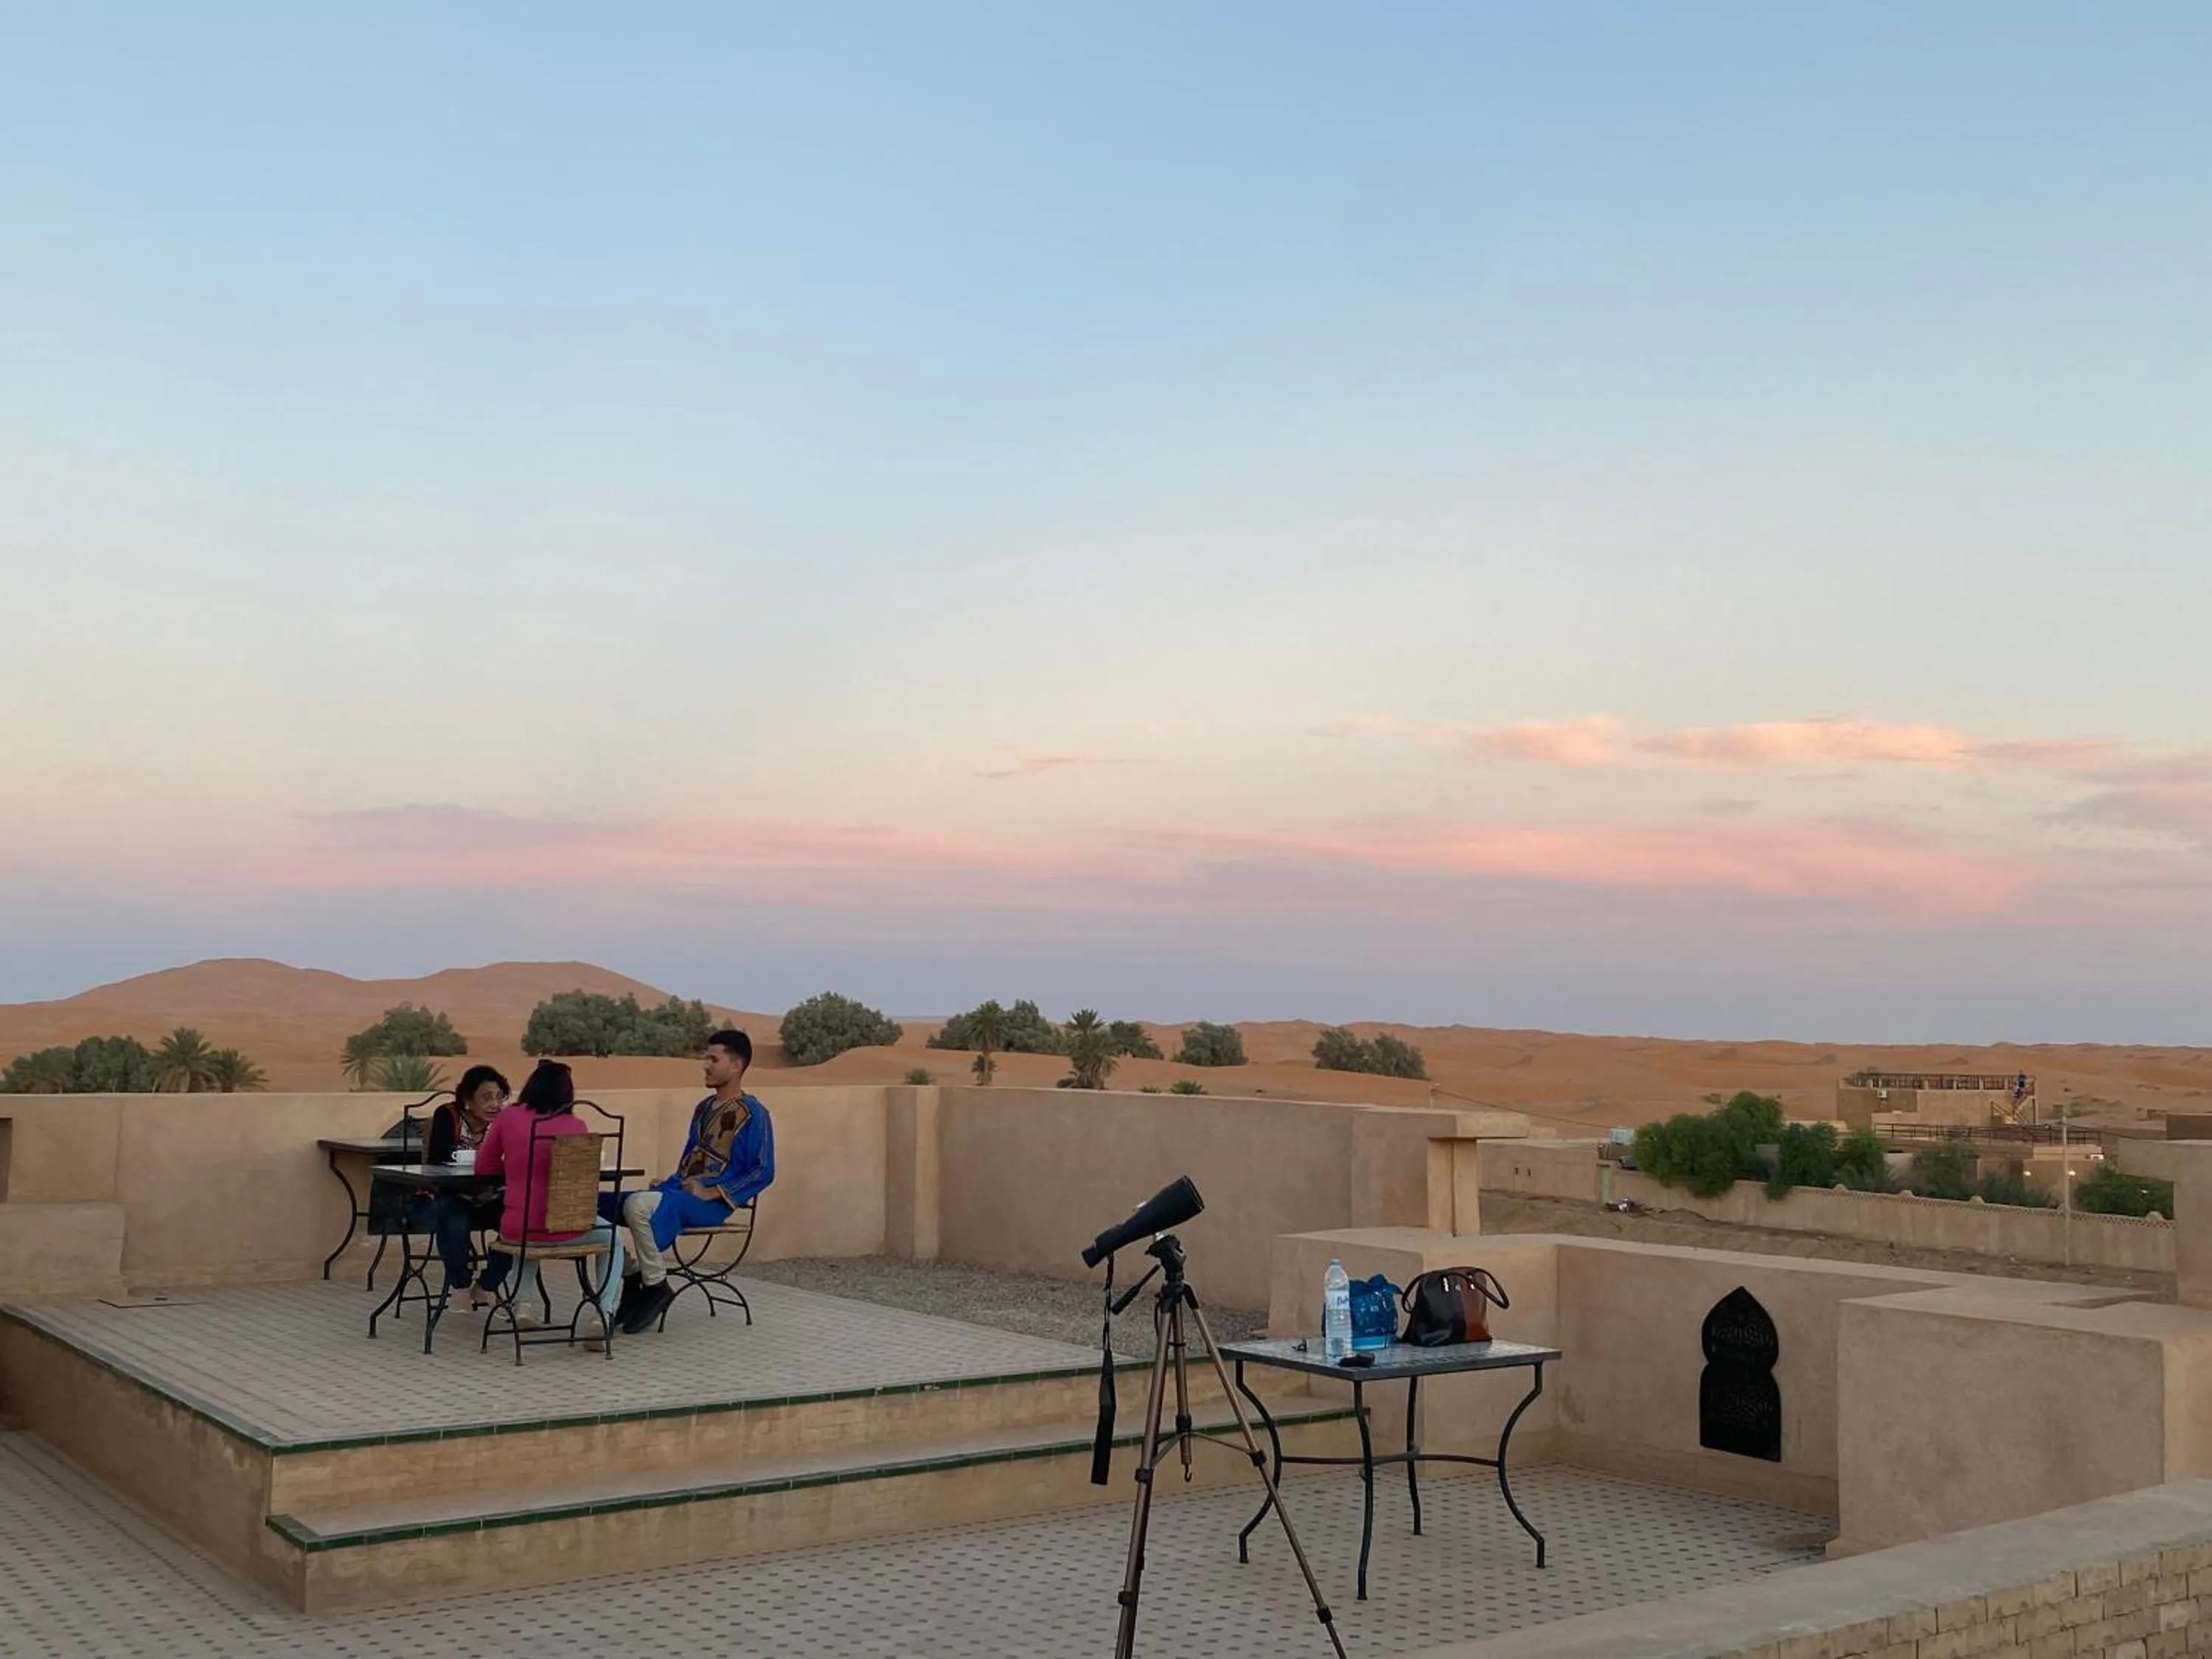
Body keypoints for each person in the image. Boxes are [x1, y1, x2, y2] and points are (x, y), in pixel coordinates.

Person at [605, 1029, 774, 1335]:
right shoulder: (703, 1108)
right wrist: (670, 1181)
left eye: (713, 1059)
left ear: (735, 1066)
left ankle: (653, 1285)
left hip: (711, 1204)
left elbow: (763, 1169)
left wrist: (712, 1193)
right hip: (678, 1193)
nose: (705, 1065)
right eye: (705, 1058)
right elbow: (691, 1158)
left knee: (638, 1205)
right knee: (601, 1202)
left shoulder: (754, 1114)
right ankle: (632, 1273)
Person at [476, 1060, 627, 1343]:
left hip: (517, 1230)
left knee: (527, 1231)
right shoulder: (577, 1125)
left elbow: (484, 1167)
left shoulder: (508, 1118)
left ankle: (523, 1303)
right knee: (614, 1238)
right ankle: (603, 1313)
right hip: (567, 1228)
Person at [416, 1065, 509, 1310]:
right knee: (453, 1217)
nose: (495, 1104)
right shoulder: (448, 1115)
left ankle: (488, 1284)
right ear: (468, 1099)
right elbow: (437, 1159)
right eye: (487, 1097)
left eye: (499, 1097)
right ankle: (460, 1284)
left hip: (490, 1196)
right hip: (449, 1193)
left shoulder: (504, 1121)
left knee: (519, 1223)